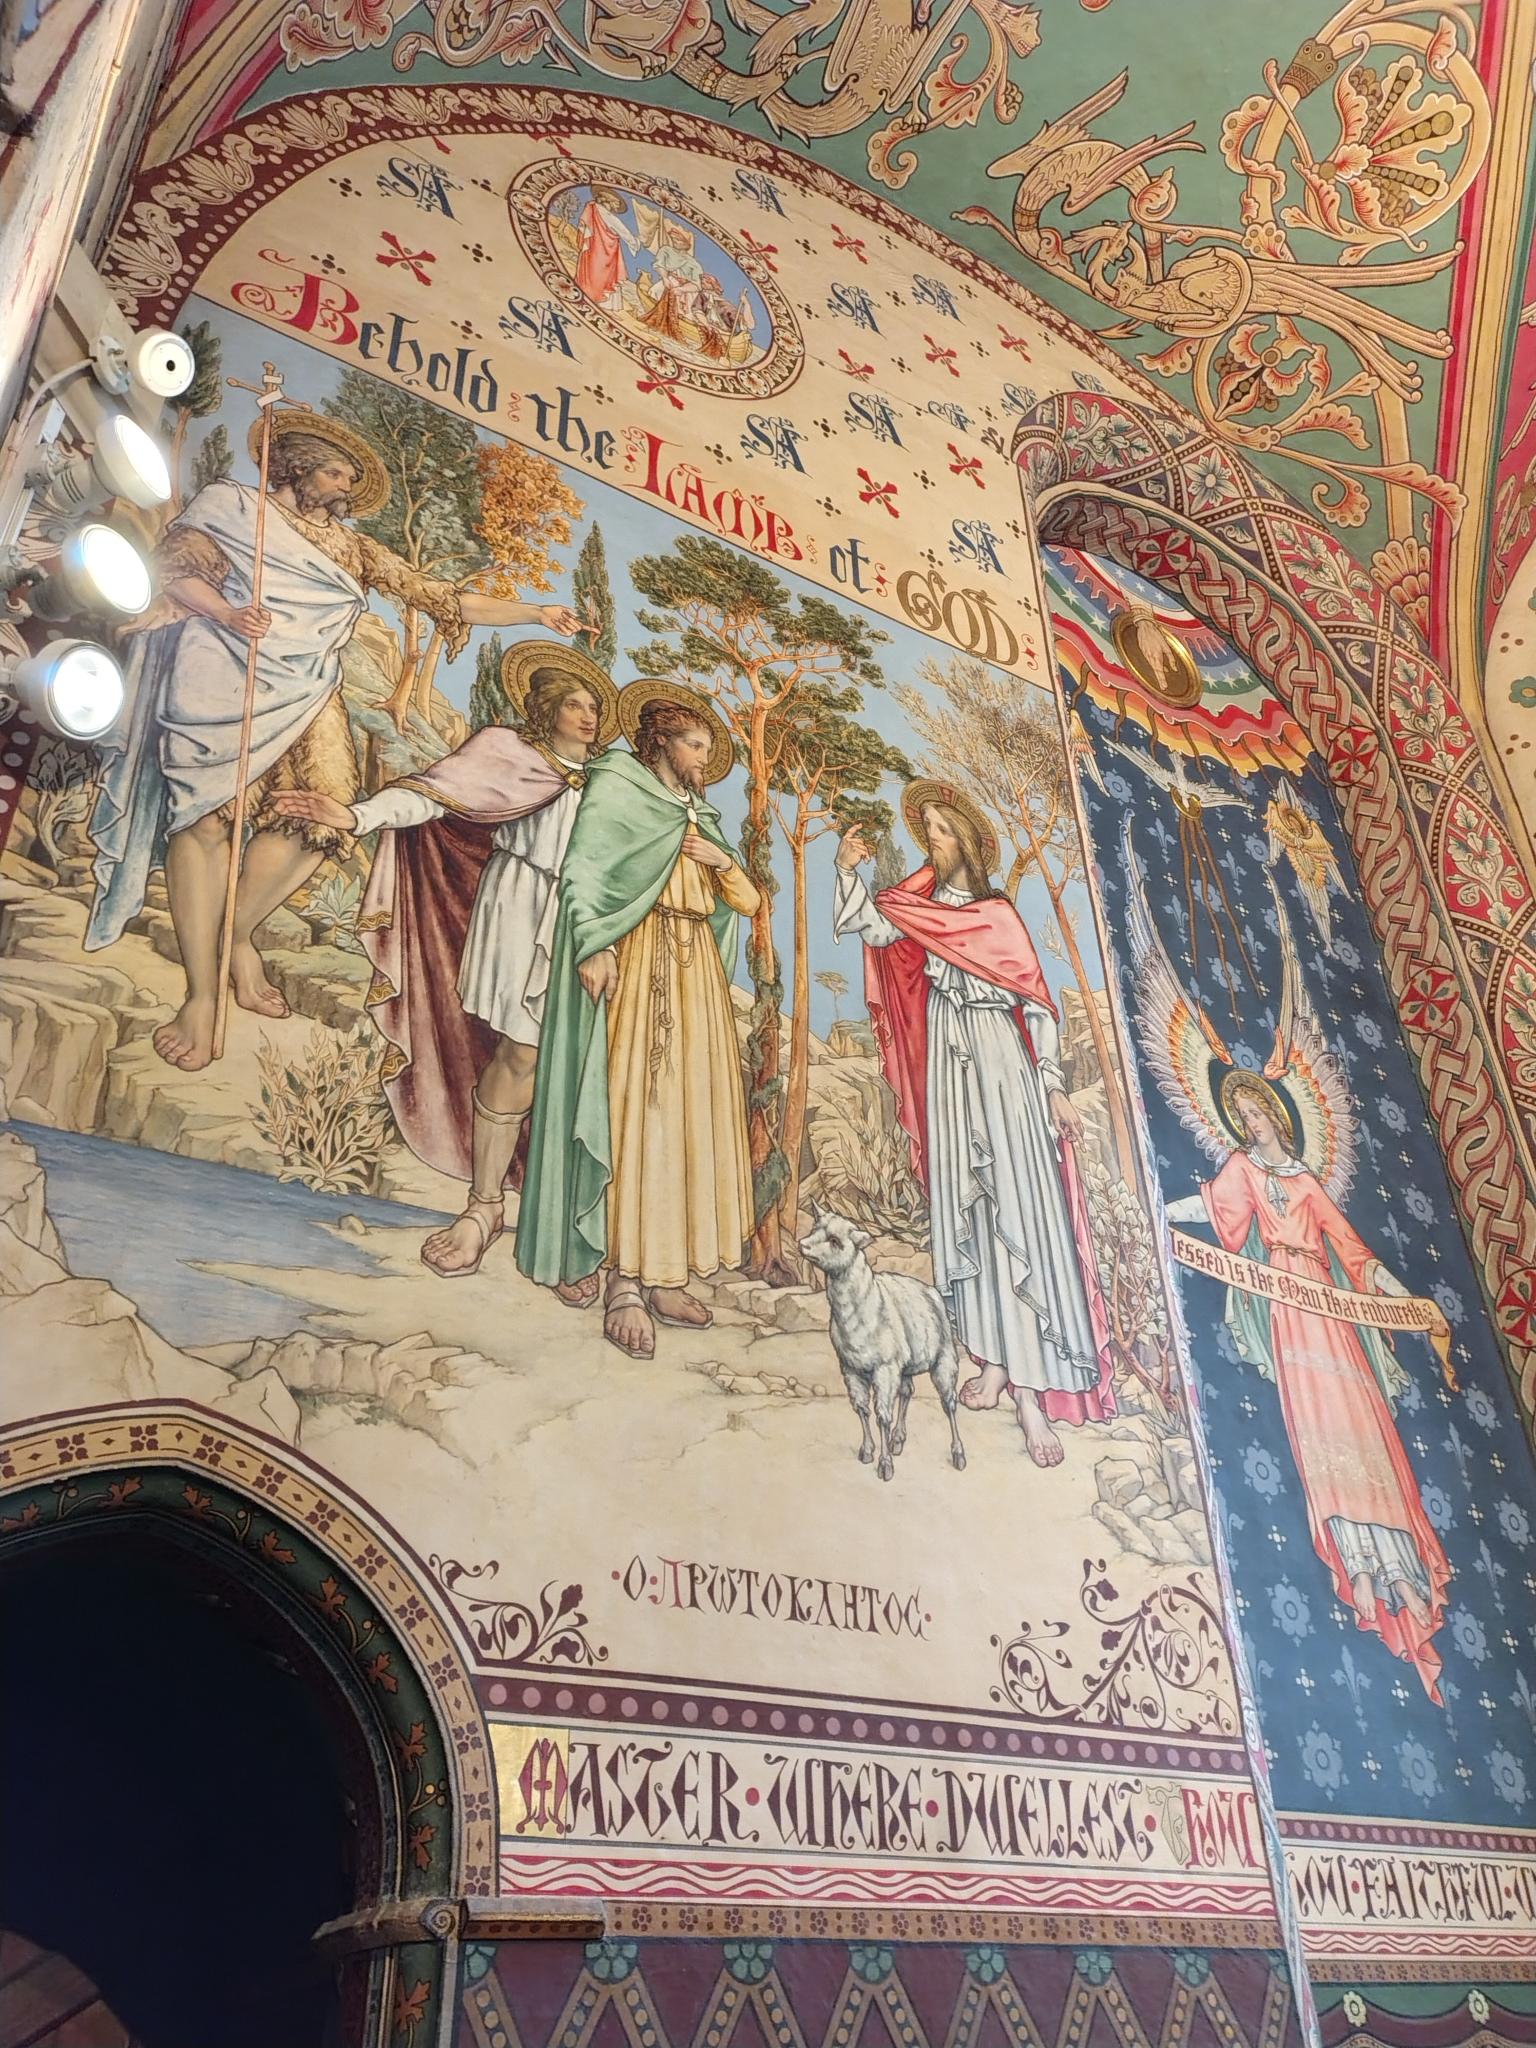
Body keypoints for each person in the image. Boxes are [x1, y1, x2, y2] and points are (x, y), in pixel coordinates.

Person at [84, 410, 579, 1072]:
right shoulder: (232, 507)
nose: (347, 485)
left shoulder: (353, 547)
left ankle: (234, 934)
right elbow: (176, 568)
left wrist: (535, 610)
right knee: (205, 824)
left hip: (305, 692)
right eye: (337, 470)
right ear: (296, 466)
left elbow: (442, 598)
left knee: (318, 824)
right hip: (220, 674)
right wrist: (226, 609)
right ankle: (201, 997)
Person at [270, 645, 617, 1285]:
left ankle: (565, 1227)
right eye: (573, 702)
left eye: (594, 705)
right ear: (544, 707)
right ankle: (483, 1209)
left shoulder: (611, 780)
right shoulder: (505, 752)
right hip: (518, 908)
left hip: (586, 925)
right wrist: (357, 815)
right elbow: (431, 799)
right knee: (520, 1056)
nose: (587, 715)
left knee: (576, 1072)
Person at [833, 780, 1114, 1468]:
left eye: (940, 830)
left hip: (1001, 1068)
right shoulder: (920, 909)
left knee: (1015, 1208)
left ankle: (1030, 1396)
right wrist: (846, 870)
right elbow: (870, 927)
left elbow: (1038, 1005)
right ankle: (990, 1358)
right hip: (950, 1076)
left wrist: (1052, 1087)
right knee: (970, 1214)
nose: (931, 840)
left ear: (965, 839)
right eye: (925, 829)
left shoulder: (997, 916)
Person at [1165, 1072, 1451, 1700]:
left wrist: (1413, 1304)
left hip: (1328, 1307)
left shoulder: (1306, 1183)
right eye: (1240, 1114)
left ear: (1275, 1113)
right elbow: (1216, 1209)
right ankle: (1361, 1566)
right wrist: (1160, 1212)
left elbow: (1357, 1254)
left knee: (1365, 1430)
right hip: (1289, 1313)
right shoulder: (1242, 1169)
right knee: (1318, 1439)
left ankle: (1403, 1573)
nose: (1250, 1122)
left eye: (1256, 1111)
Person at [515, 682, 759, 1358]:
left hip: (696, 977)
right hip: (641, 959)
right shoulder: (618, 787)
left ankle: (665, 1273)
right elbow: (585, 873)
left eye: (708, 747)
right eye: (695, 744)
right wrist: (594, 943)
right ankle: (622, 1281)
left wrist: (721, 860)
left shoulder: (700, 818)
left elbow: (746, 900)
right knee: (636, 1112)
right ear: (661, 742)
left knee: (684, 1118)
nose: (703, 758)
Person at [575, 185, 641, 312]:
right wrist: (636, 241)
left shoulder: (591, 208)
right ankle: (604, 305)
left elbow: (583, 227)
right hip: (604, 251)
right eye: (616, 204)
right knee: (603, 276)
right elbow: (624, 232)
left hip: (591, 249)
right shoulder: (607, 215)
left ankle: (587, 296)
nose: (616, 208)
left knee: (591, 271)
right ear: (609, 202)